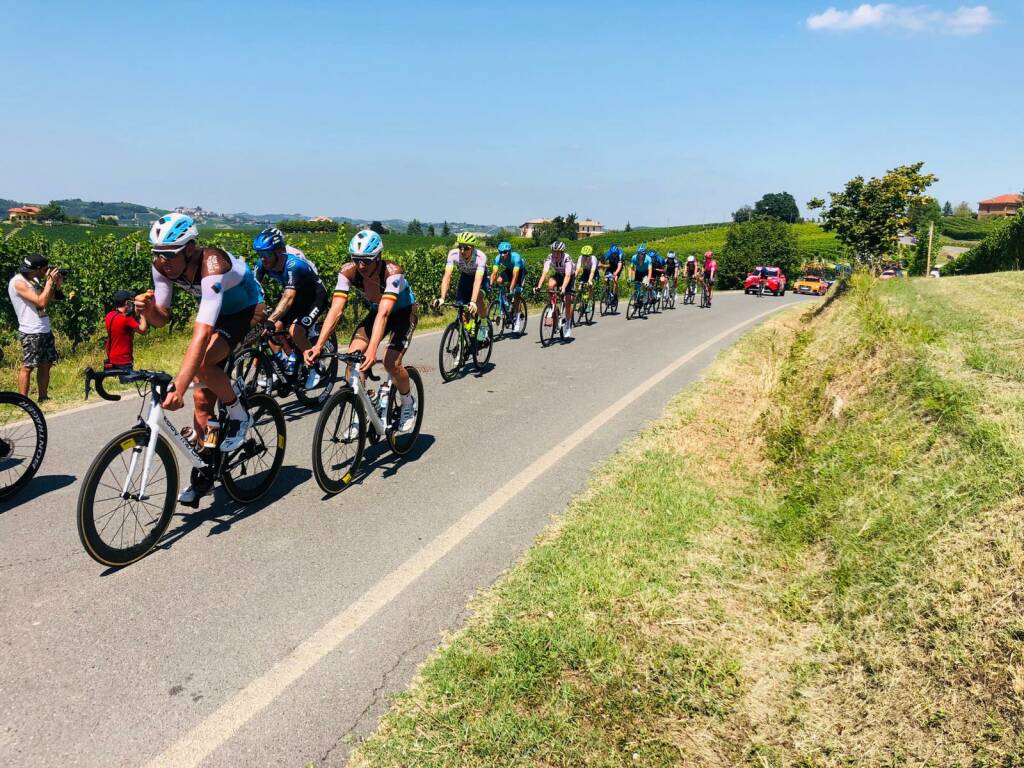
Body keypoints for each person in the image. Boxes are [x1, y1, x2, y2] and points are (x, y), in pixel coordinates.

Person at [135, 213, 265, 506]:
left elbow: (202, 332)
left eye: (169, 254)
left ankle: (239, 413)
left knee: (204, 364)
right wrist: (147, 310)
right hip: (220, 314)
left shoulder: (212, 265)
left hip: (248, 311)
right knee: (202, 401)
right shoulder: (161, 267)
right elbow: (161, 319)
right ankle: (206, 470)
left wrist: (178, 386)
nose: (162, 261)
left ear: (190, 248)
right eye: (157, 254)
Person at [305, 229, 418, 432]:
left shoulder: (393, 273)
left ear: (378, 257)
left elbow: (385, 314)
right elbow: (336, 310)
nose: (361, 265)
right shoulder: (348, 272)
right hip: (377, 312)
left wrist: (373, 350)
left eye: (367, 260)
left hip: (402, 313)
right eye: (357, 259)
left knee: (392, 363)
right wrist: (319, 345)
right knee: (352, 357)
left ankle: (408, 402)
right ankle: (361, 408)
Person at [252, 226, 329, 385]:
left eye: (266, 254)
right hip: (295, 299)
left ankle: (315, 367)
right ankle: (279, 366)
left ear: (279, 251)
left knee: (296, 331)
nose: (262, 258)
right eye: (260, 254)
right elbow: (253, 289)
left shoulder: (294, 264)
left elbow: (288, 298)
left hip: (315, 298)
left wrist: (271, 319)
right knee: (273, 330)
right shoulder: (262, 264)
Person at [7, 254, 62, 400]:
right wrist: (49, 281)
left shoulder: (35, 279)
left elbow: (52, 298)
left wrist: (56, 284)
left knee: (46, 364)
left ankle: (43, 397)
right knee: (28, 366)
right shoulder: (18, 282)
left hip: (44, 327)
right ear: (39, 269)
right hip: (30, 330)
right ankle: (22, 401)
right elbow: (41, 302)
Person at [435, 232, 489, 341]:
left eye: (466, 248)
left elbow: (477, 281)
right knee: (461, 307)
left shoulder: (480, 257)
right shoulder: (453, 254)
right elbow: (447, 276)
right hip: (465, 277)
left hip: (480, 278)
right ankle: (466, 333)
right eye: (460, 247)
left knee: (478, 298)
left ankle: (484, 323)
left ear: (473, 248)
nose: (462, 250)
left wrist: (473, 301)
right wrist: (442, 297)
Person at [535, 240, 575, 338]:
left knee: (567, 300)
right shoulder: (550, 257)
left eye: (557, 252)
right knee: (550, 285)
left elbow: (568, 275)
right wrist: (538, 286)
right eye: (554, 252)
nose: (555, 254)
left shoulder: (567, 259)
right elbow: (544, 273)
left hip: (569, 277)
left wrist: (563, 288)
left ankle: (568, 324)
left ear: (561, 252)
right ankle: (553, 307)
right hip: (559, 274)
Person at [104, 289, 148, 371]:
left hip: (111, 358)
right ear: (126, 303)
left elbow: (123, 330)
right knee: (127, 383)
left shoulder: (109, 315)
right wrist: (143, 314)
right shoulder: (127, 319)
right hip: (124, 360)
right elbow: (143, 330)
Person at [489, 240, 527, 333]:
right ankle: (505, 300)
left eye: (505, 252)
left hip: (519, 271)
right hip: (509, 270)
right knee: (499, 280)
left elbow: (515, 275)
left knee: (517, 293)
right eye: (500, 252)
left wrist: (511, 288)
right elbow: (494, 273)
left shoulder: (516, 257)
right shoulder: (498, 258)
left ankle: (517, 320)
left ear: (509, 252)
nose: (502, 255)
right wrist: (490, 285)